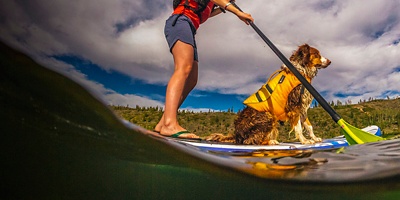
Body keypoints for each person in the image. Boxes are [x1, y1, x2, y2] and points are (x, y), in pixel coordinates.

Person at [155, 0, 254, 139]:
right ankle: (169, 124)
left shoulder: (209, 5)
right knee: (183, 68)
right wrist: (238, 12)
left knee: (192, 79)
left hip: (189, 27)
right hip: (180, 21)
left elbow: (205, 14)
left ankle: (162, 124)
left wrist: (223, 8)